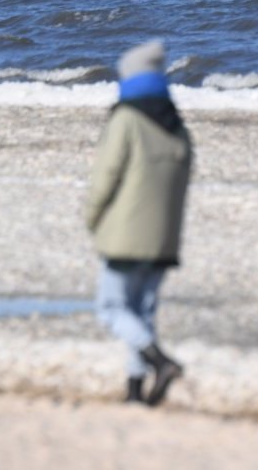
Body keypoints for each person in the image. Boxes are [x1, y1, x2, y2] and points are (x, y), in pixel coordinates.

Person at [85, 39, 193, 406]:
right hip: (164, 238)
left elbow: (105, 176)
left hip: (125, 235)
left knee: (112, 308)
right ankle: (134, 391)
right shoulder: (177, 125)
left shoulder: (126, 119)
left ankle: (160, 363)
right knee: (143, 312)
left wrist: (92, 216)